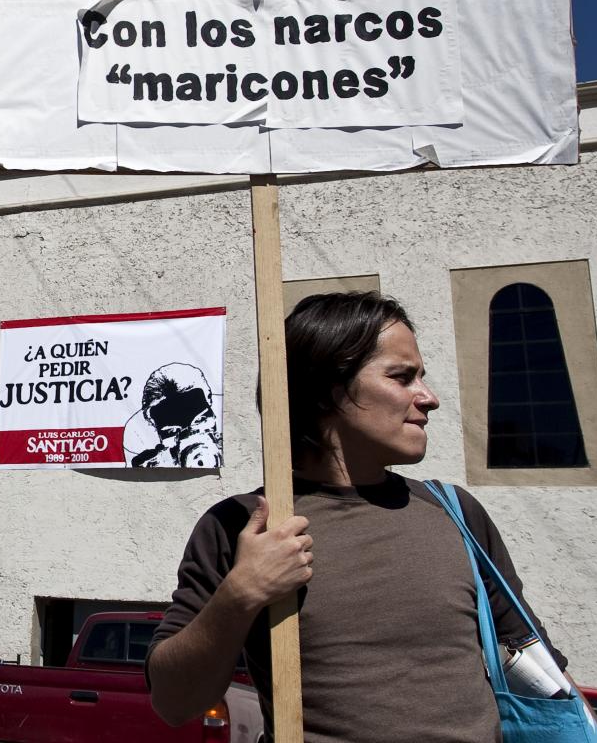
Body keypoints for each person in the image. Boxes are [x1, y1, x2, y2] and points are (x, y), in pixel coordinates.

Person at [146, 292, 572, 742]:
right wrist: (241, 593)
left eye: (420, 378)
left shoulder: (455, 512)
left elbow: (540, 673)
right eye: (402, 377)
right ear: (331, 390)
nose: (429, 398)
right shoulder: (244, 524)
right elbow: (175, 704)